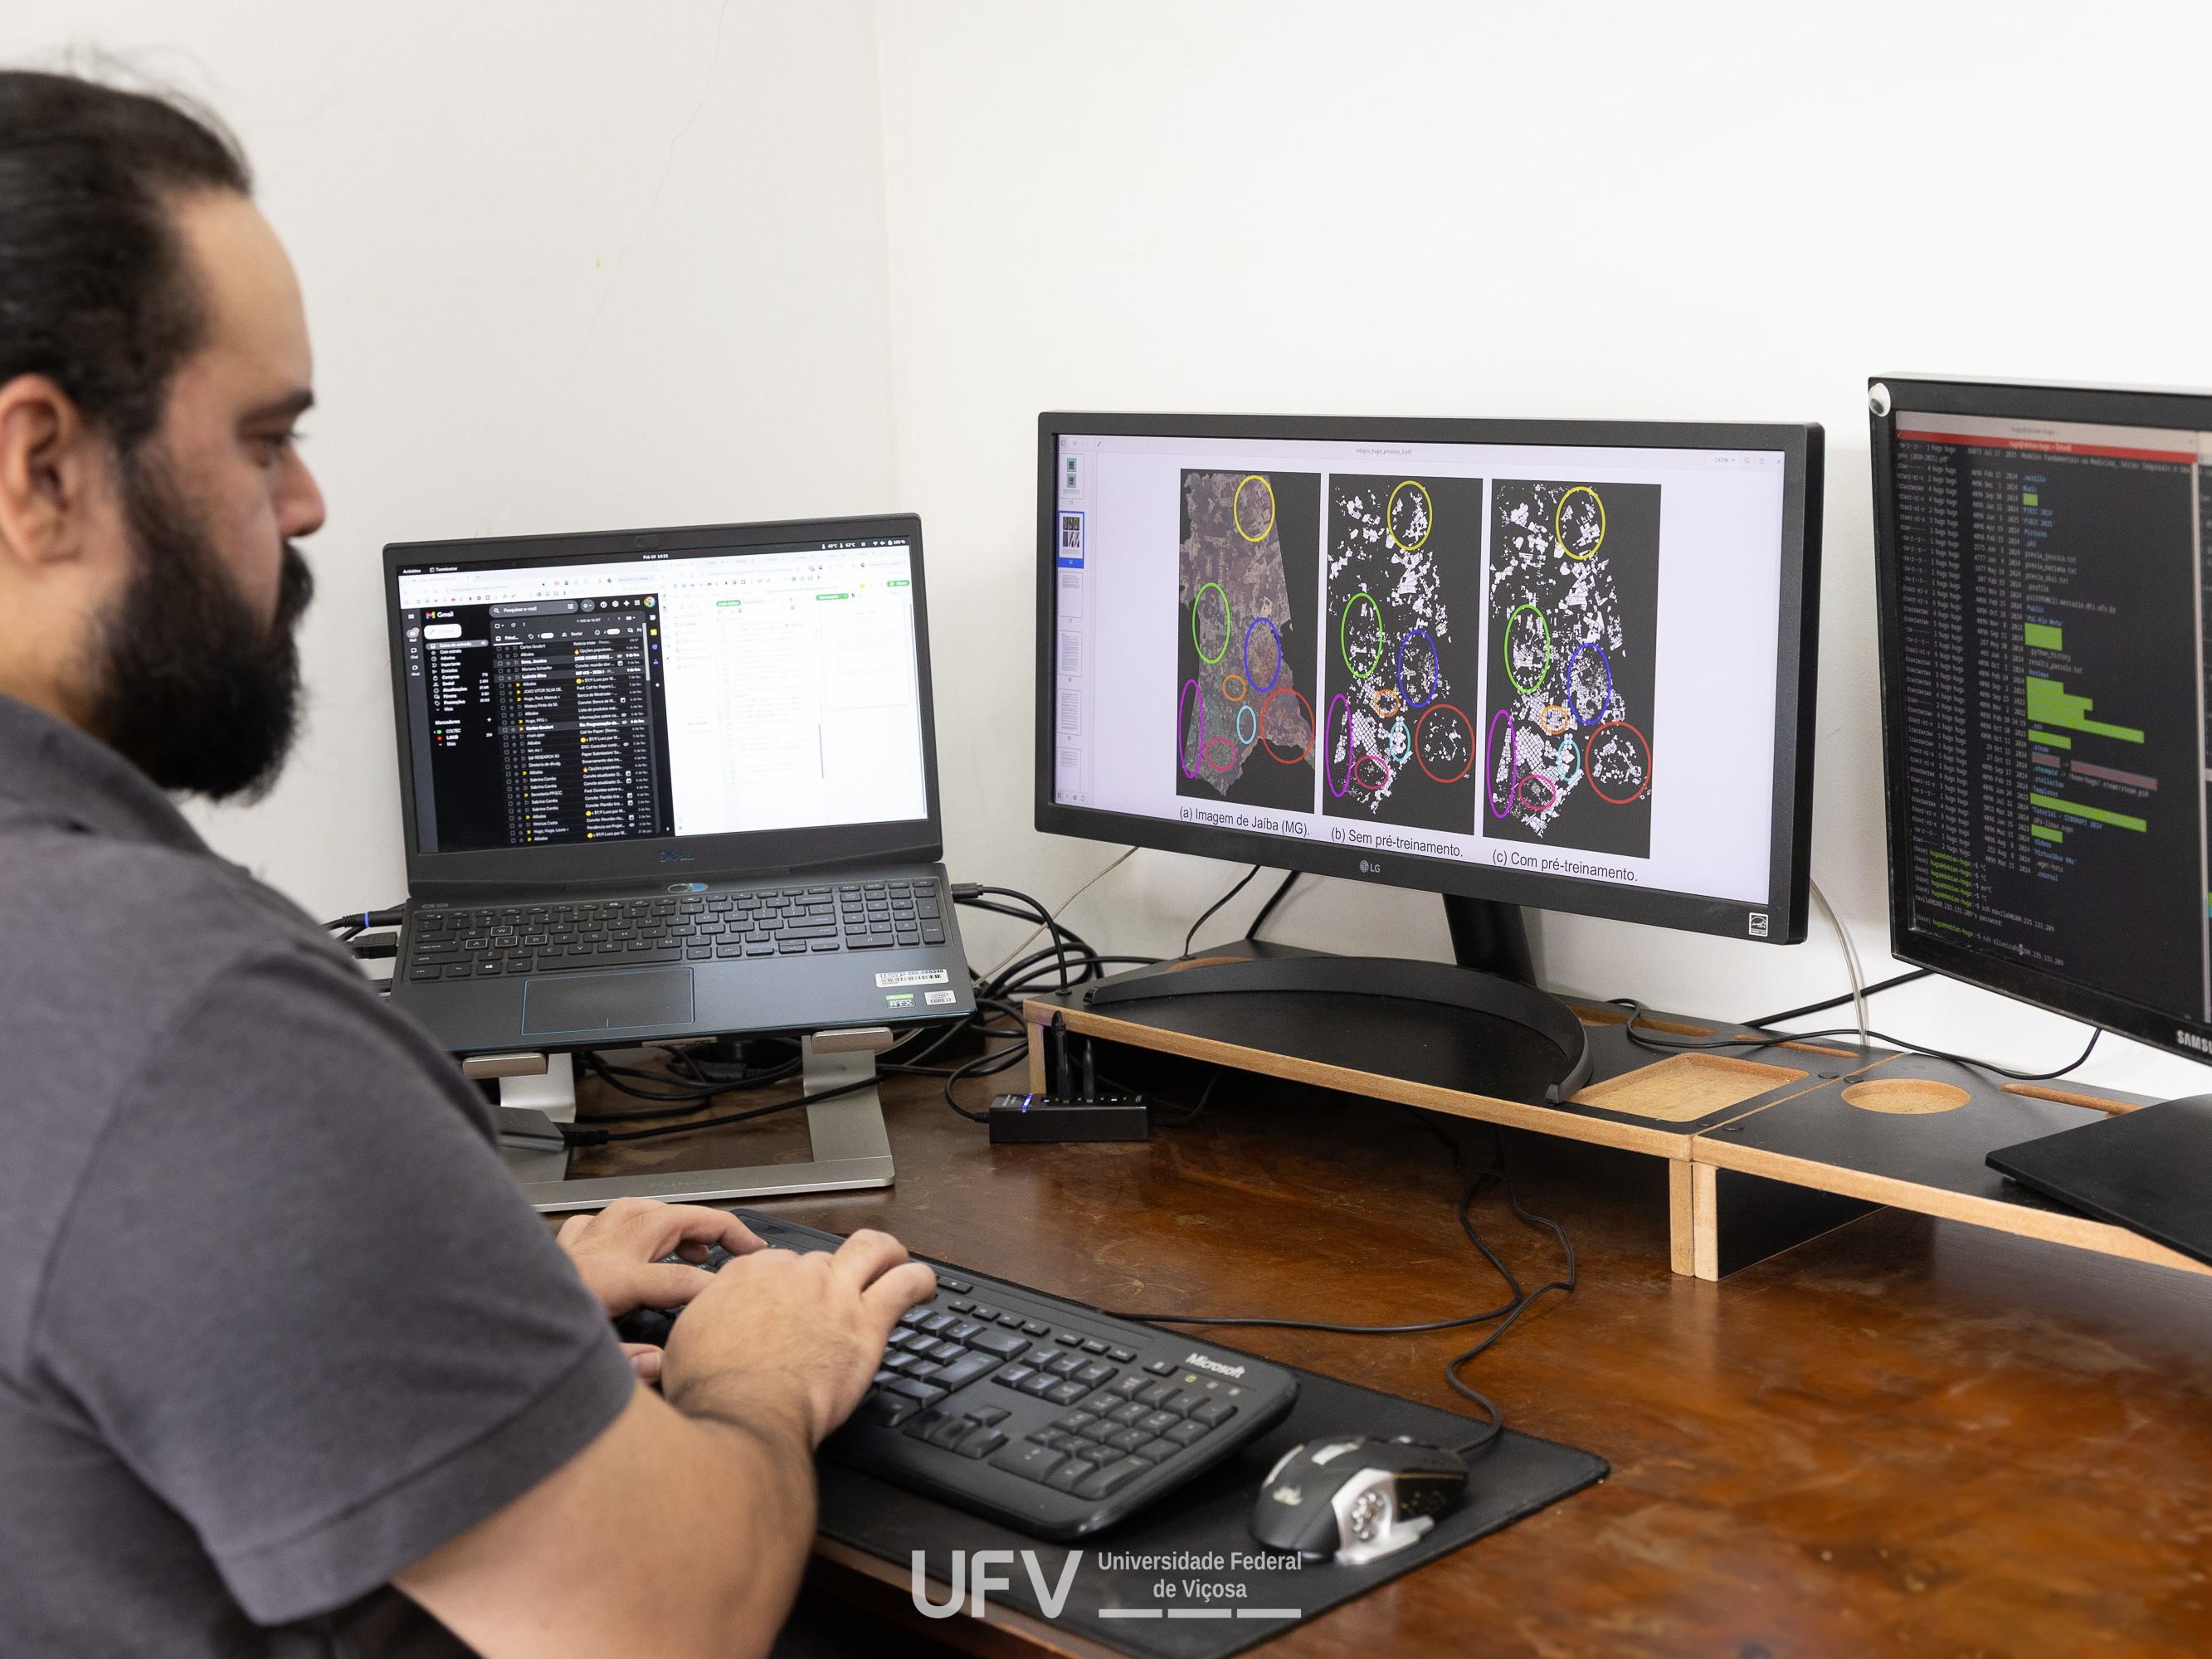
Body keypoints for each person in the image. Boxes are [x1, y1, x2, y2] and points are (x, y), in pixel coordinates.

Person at [0, 69, 936, 1657]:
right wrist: (758, 1374)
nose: (306, 503)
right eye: (265, 437)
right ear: (39, 468)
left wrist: (460, 1309)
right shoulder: (182, 1015)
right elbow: (666, 1617)